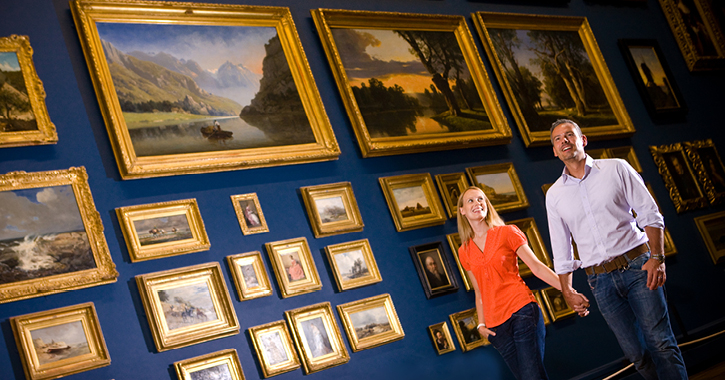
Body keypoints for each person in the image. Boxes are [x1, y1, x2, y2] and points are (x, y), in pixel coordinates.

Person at [545, 119, 687, 380]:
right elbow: (561, 248)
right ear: (554, 151)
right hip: (600, 281)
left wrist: (657, 257)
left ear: (583, 140)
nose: (564, 141)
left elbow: (650, 214)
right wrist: (567, 290)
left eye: (569, 135)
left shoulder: (616, 168)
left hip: (639, 268)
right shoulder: (554, 195)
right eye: (557, 139)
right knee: (637, 354)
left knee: (661, 344)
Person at [457, 186, 562, 380]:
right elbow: (479, 291)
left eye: (481, 199)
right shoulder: (464, 251)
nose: (477, 203)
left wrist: (568, 290)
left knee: (532, 377)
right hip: (496, 327)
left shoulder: (507, 232)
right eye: (470, 201)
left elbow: (536, 267)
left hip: (521, 310)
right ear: (462, 211)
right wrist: (481, 325)